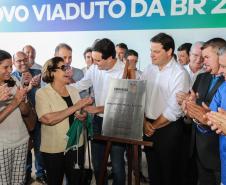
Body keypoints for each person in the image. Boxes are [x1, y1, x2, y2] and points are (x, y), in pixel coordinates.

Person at [73, 38, 126, 185]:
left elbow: (124, 103)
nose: (94, 63)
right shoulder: (95, 68)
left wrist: (98, 108)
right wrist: (59, 87)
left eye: (98, 60)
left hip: (117, 122)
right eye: (93, 59)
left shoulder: (124, 71)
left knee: (117, 164)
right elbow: (81, 85)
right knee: (98, 163)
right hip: (97, 121)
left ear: (110, 58)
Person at [35, 56, 93, 185]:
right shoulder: (42, 93)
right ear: (52, 72)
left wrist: (82, 114)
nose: (68, 71)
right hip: (54, 148)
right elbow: (48, 119)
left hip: (76, 145)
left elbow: (78, 113)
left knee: (75, 181)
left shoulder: (73, 90)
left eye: (68, 67)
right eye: (63, 68)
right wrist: (76, 107)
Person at [142, 33, 190, 185]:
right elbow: (140, 96)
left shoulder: (180, 73)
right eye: (151, 51)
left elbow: (174, 109)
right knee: (153, 173)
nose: (151, 55)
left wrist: (153, 126)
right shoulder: (149, 69)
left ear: (169, 52)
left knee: (169, 174)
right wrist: (144, 122)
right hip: (148, 126)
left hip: (169, 129)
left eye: (156, 51)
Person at [183, 38, 226, 185]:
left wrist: (203, 113)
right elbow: (195, 110)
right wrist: (190, 109)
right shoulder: (202, 77)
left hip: (217, 150)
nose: (202, 61)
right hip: (199, 146)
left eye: (206, 57)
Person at [12, 51, 46, 185]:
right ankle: (26, 174)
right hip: (21, 120)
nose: (22, 63)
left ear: (28, 59)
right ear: (14, 63)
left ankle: (40, 173)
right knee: (24, 149)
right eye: (19, 61)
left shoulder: (38, 72)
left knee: (39, 147)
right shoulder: (10, 77)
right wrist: (23, 85)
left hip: (38, 117)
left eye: (24, 59)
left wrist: (37, 85)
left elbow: (47, 91)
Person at [0, 49, 30, 184]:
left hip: (21, 140)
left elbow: (25, 112)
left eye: (10, 66)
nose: (9, 70)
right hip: (2, 144)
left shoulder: (15, 80)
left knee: (18, 181)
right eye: (5, 67)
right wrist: (15, 102)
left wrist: (21, 100)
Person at [207, 46, 226, 184]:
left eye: (224, 67)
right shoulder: (223, 88)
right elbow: (209, 115)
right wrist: (197, 113)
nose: (220, 71)